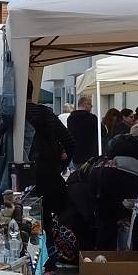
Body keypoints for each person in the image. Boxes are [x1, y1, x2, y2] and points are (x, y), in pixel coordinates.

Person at [26, 84, 76, 233]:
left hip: (19, 177)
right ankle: (49, 252)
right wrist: (60, 166)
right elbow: (70, 142)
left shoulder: (10, 114)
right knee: (47, 224)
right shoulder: (44, 112)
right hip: (47, 174)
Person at [67, 95, 99, 166]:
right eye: (90, 104)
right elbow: (102, 132)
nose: (91, 106)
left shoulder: (70, 118)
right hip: (90, 154)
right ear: (85, 104)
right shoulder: (92, 118)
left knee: (78, 175)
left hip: (76, 154)